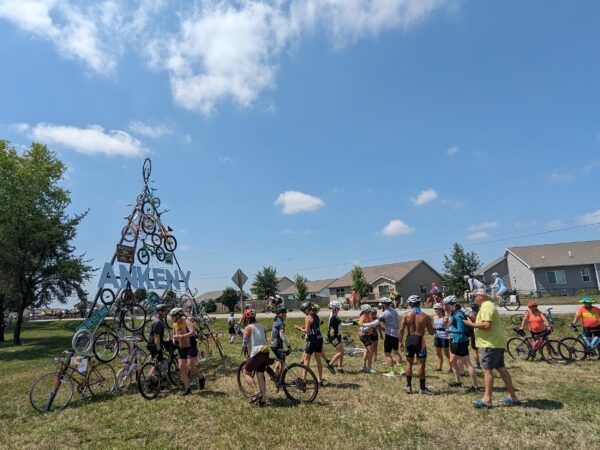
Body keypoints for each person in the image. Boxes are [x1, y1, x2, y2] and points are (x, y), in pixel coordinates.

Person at [463, 289, 520, 408]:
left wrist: (471, 324)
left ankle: (487, 400)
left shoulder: (486, 307)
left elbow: (487, 325)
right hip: (495, 343)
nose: (473, 298)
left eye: (474, 296)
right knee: (501, 369)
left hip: (489, 344)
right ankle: (513, 397)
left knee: (487, 371)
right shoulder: (488, 306)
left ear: (481, 296)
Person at [359, 297, 404, 377]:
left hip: (389, 335)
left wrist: (361, 324)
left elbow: (374, 324)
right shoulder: (394, 311)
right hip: (396, 334)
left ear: (383, 305)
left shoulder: (384, 313)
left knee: (387, 354)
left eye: (381, 305)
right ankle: (402, 370)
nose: (381, 307)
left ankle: (392, 372)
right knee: (396, 352)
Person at [399, 295, 435, 394]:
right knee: (421, 364)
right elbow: (432, 332)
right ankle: (422, 388)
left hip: (410, 339)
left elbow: (401, 329)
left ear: (410, 304)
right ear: (419, 303)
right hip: (420, 340)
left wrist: (400, 342)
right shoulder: (425, 316)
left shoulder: (406, 315)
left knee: (409, 363)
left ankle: (408, 387)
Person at [295, 302, 334, 386]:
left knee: (306, 360)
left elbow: (307, 331)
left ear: (306, 309)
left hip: (312, 340)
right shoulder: (316, 315)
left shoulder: (308, 317)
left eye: (303, 311)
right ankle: (320, 380)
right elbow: (314, 327)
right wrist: (304, 327)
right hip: (319, 338)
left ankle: (304, 381)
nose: (303, 312)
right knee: (318, 359)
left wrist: (299, 328)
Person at [445, 296, 479, 392]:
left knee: (467, 363)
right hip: (455, 341)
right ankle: (458, 381)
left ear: (453, 305)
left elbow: (461, 330)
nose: (445, 308)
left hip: (461, 341)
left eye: (447, 306)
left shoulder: (458, 315)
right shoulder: (454, 313)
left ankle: (475, 386)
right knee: (452, 360)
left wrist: (449, 330)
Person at [170, 307, 206, 396]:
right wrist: (174, 339)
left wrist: (182, 337)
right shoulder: (174, 324)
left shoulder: (186, 321)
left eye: (173, 316)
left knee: (191, 367)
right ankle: (188, 389)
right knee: (181, 367)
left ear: (178, 315)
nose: (172, 318)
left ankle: (201, 377)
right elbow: (175, 335)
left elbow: (193, 332)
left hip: (191, 346)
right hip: (181, 347)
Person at [242, 308, 269, 406]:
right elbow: (265, 338)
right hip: (265, 351)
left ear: (246, 318)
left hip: (256, 352)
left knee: (246, 372)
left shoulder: (248, 327)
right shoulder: (261, 326)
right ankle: (263, 400)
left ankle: (256, 391)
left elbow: (245, 342)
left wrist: (244, 350)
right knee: (260, 375)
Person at [147, 304, 169, 375]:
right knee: (157, 363)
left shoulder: (159, 320)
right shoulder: (158, 322)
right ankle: (150, 378)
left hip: (154, 344)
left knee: (157, 362)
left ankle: (155, 377)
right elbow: (156, 336)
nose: (166, 312)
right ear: (160, 312)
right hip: (154, 345)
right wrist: (159, 349)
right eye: (165, 311)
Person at [270, 307, 291, 375]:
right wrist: (288, 345)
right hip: (277, 344)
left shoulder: (275, 322)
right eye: (285, 314)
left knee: (280, 359)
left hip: (273, 344)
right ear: (281, 315)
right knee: (282, 360)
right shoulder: (280, 323)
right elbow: (282, 336)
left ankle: (275, 374)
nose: (286, 316)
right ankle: (281, 377)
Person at [357, 304, 377, 373]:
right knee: (371, 351)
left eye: (370, 311)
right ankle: (369, 368)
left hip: (367, 334)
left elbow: (371, 325)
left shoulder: (369, 316)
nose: (370, 312)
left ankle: (364, 366)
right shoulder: (362, 317)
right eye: (368, 311)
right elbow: (360, 325)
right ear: (365, 311)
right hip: (363, 335)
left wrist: (371, 332)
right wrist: (360, 324)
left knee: (367, 351)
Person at [327, 301, 345, 373]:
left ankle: (339, 367)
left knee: (341, 351)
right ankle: (330, 364)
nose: (339, 309)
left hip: (337, 335)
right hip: (333, 336)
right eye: (338, 308)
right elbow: (339, 325)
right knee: (340, 352)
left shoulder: (334, 314)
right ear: (334, 308)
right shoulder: (333, 317)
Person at [432, 303, 451, 372]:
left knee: (446, 353)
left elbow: (447, 321)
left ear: (440, 309)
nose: (435, 310)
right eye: (435, 309)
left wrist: (445, 310)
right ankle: (439, 367)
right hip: (436, 335)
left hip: (444, 336)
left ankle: (450, 367)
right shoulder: (434, 317)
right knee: (438, 353)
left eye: (437, 309)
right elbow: (434, 326)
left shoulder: (445, 317)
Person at [467, 303, 481, 370]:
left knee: (475, 350)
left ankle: (478, 365)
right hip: (483, 333)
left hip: (474, 333)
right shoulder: (482, 314)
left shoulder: (470, 315)